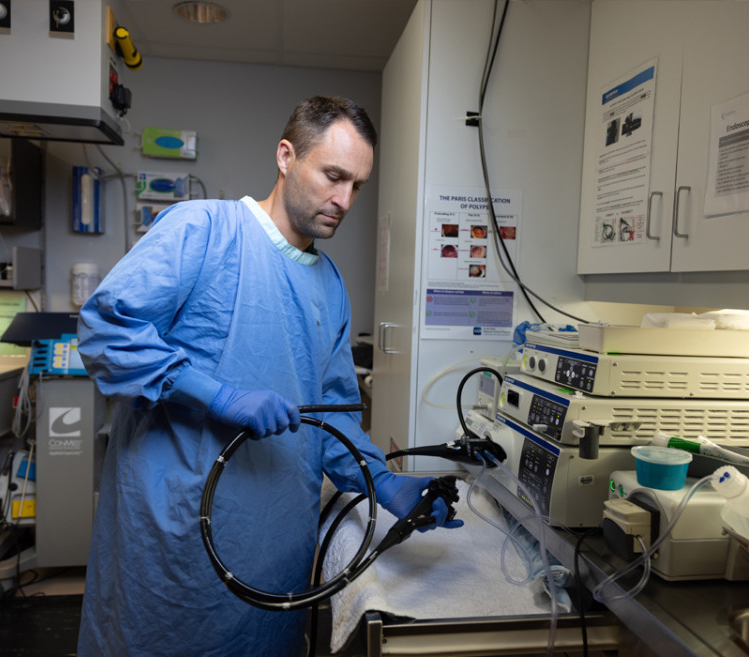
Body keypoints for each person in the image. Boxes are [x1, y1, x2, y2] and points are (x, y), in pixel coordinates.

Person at [76, 95, 463, 657]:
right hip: (174, 541)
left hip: (277, 547)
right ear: (286, 156)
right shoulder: (204, 230)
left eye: (357, 185)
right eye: (333, 176)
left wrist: (384, 482)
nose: (344, 200)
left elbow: (333, 417)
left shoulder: (329, 286)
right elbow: (106, 330)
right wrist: (216, 395)